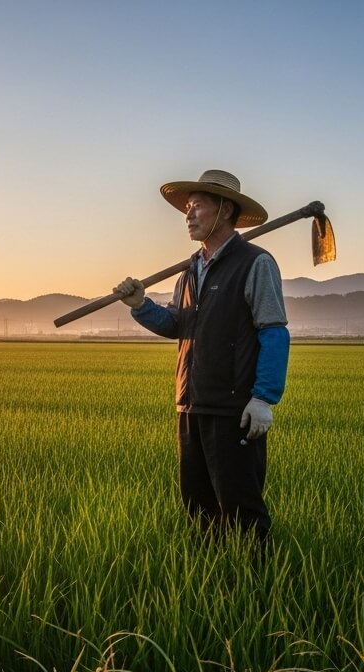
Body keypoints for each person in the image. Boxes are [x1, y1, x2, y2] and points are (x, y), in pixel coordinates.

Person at [116, 169, 289, 546]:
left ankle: (257, 592)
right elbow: (178, 325)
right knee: (198, 512)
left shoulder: (255, 263)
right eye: (187, 208)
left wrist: (264, 398)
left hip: (234, 408)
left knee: (241, 513)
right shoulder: (188, 271)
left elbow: (274, 330)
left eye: (197, 207)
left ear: (225, 210)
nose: (188, 215)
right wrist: (140, 305)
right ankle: (210, 587)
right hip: (190, 405)